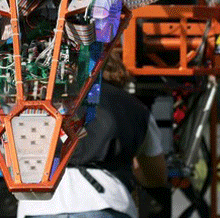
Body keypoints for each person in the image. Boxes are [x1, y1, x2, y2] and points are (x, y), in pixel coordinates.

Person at [16, 51, 168, 218]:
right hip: (106, 202)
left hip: (38, 205)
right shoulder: (135, 108)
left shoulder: (35, 102)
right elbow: (156, 176)